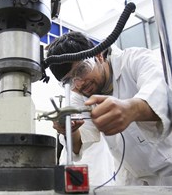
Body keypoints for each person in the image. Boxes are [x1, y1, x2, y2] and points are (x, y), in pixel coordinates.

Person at [46, 31, 172, 186]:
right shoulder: (80, 97)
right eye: (69, 82)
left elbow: (162, 94)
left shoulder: (135, 60)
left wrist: (131, 109)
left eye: (81, 70)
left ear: (98, 55)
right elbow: (83, 142)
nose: (79, 84)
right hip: (134, 180)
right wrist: (70, 130)